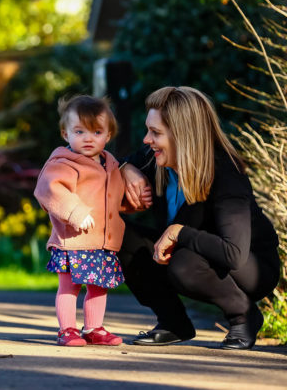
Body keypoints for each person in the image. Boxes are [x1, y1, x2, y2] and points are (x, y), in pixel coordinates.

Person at [119, 86, 280, 350]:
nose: (147, 140)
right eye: (148, 130)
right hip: (191, 253)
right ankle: (174, 323)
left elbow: (234, 253)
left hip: (251, 266)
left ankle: (244, 315)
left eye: (155, 133)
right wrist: (126, 168)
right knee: (119, 234)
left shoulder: (225, 173)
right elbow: (105, 161)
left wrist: (179, 232)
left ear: (183, 135)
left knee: (184, 264)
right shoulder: (155, 158)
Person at [34, 95, 137, 346]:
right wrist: (76, 212)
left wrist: (134, 201)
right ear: (65, 133)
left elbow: (112, 196)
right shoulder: (62, 163)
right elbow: (49, 189)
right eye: (79, 131)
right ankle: (67, 329)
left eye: (96, 131)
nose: (88, 138)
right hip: (73, 240)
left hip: (101, 240)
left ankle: (94, 328)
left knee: (98, 286)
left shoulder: (110, 164)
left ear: (108, 136)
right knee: (70, 286)